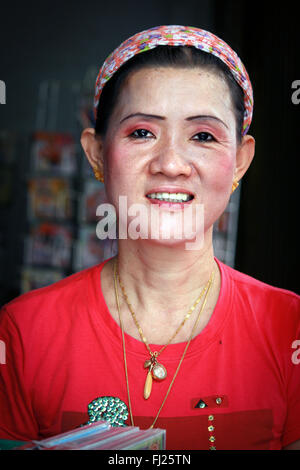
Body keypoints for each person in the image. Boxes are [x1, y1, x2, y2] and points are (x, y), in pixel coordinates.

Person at [0, 25, 299, 451]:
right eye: (142, 132)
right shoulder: (24, 332)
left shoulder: (289, 328)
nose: (172, 164)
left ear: (240, 161)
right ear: (97, 153)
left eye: (203, 136)